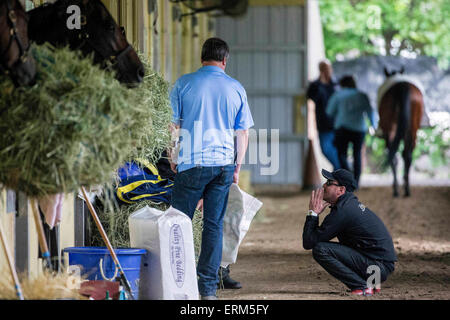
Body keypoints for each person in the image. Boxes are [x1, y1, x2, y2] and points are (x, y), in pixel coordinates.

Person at [169, 37, 254, 300]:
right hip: (223, 165)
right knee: (213, 226)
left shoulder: (183, 83)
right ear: (225, 60)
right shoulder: (236, 88)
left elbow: (173, 126)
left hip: (191, 163)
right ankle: (207, 290)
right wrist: (236, 167)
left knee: (178, 223)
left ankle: (176, 284)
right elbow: (242, 133)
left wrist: (174, 157)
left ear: (202, 57)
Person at [302, 168, 397, 296]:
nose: (324, 185)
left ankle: (361, 286)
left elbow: (309, 242)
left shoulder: (343, 211)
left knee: (320, 250)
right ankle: (370, 283)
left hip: (378, 267)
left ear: (341, 190)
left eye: (329, 183)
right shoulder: (348, 205)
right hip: (379, 266)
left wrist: (312, 213)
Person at [326, 75, 378, 188]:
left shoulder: (338, 95)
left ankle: (347, 179)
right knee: (357, 154)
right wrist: (374, 125)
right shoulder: (362, 95)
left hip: (342, 128)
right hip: (359, 129)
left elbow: (330, 112)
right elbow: (370, 111)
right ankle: (356, 182)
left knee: (342, 154)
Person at [306, 60, 341, 170]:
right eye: (325, 69)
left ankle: (339, 173)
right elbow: (311, 97)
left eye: (329, 68)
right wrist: (320, 83)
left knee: (338, 151)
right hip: (323, 124)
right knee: (325, 150)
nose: (328, 71)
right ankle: (341, 168)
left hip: (337, 124)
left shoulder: (336, 84)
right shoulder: (315, 85)